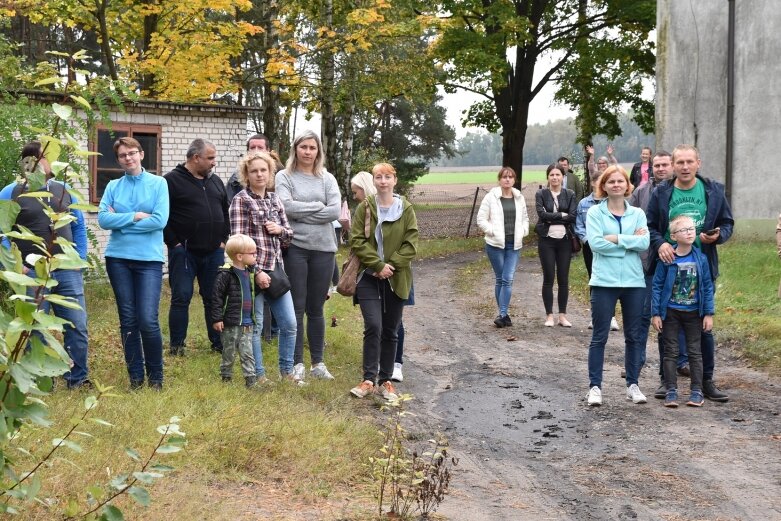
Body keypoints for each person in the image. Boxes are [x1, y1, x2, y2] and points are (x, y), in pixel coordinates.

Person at [646, 144, 734, 402]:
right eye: (680, 162)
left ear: (698, 163)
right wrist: (661, 243)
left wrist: (717, 237)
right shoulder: (661, 192)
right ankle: (666, 379)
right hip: (670, 266)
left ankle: (706, 380)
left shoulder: (713, 191)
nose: (685, 167)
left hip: (701, 266)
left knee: (704, 327)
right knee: (667, 325)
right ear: (673, 166)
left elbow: (727, 223)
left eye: (689, 162)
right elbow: (649, 225)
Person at [0, 141, 90, 389]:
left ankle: (78, 379)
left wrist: (78, 259)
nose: (40, 164)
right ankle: (40, 381)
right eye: (33, 159)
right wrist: (16, 266)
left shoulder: (64, 190)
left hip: (67, 270)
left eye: (44, 158)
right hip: (32, 274)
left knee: (77, 325)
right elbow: (2, 233)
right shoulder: (11, 192)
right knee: (34, 328)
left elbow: (78, 227)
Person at [98, 137, 169, 390]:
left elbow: (159, 221)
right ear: (118, 160)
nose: (127, 158)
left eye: (131, 153)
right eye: (122, 155)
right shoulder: (113, 186)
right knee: (128, 320)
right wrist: (136, 217)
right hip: (117, 259)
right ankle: (136, 379)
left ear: (141, 155)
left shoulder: (159, 184)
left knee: (147, 320)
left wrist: (123, 222)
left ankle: (156, 379)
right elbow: (104, 220)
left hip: (148, 260)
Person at [275, 130, 341, 383]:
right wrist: (317, 207)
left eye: (312, 148)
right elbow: (285, 207)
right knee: (296, 306)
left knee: (316, 308)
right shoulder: (284, 176)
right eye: (303, 147)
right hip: (296, 248)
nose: (307, 152)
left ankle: (318, 363)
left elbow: (334, 210)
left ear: (318, 152)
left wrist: (303, 212)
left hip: (324, 249)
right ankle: (297, 363)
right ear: (296, 149)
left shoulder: (327, 178)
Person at [349, 163, 418, 401]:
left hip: (397, 277)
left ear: (394, 180)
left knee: (390, 330)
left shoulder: (406, 208)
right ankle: (369, 379)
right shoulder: (365, 207)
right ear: (374, 181)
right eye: (378, 177)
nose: (383, 181)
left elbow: (411, 243)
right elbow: (357, 240)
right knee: (374, 326)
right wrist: (378, 266)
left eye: (387, 176)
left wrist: (391, 266)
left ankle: (385, 380)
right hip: (369, 276)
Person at [229, 152, 298, 384]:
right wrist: (256, 271)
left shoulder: (275, 199)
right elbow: (237, 242)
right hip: (252, 274)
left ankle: (286, 372)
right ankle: (258, 376)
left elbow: (289, 236)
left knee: (289, 324)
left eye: (263, 170)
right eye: (254, 171)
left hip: (276, 270)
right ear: (246, 175)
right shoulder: (241, 200)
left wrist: (279, 230)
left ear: (270, 173)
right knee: (255, 327)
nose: (259, 174)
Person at [585, 165, 649, 406]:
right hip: (604, 282)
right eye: (610, 181)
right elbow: (596, 245)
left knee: (634, 336)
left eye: (620, 181)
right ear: (604, 186)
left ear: (627, 185)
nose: (615, 185)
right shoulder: (595, 214)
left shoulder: (638, 214)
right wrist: (629, 243)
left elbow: (644, 243)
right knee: (599, 336)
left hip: (633, 282)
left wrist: (618, 238)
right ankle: (595, 387)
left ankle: (633, 384)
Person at [163, 139, 229, 356]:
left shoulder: (216, 181)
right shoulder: (170, 181)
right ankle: (177, 346)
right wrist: (174, 243)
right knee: (182, 297)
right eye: (210, 158)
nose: (214, 163)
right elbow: (163, 216)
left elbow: (224, 211)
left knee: (214, 297)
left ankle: (218, 343)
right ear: (195, 158)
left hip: (214, 252)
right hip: (184, 253)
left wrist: (223, 240)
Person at [629, 151, 688, 390]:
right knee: (645, 314)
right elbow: (630, 217)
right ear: (650, 167)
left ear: (671, 166)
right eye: (657, 165)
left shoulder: (679, 192)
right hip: (649, 262)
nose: (661, 169)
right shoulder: (641, 191)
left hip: (680, 262)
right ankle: (637, 362)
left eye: (665, 165)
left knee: (679, 314)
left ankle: (680, 363)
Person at [651, 215, 715, 408]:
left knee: (695, 352)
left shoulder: (701, 259)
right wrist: (656, 313)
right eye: (683, 230)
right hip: (670, 312)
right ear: (673, 236)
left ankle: (696, 391)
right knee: (670, 352)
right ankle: (671, 390)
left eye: (691, 229)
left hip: (694, 313)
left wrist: (708, 313)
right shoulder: (666, 259)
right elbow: (657, 286)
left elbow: (707, 286)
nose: (689, 232)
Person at [476, 166, 530, 327]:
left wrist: (524, 231)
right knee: (500, 278)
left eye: (510, 177)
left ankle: (502, 314)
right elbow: (481, 219)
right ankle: (503, 314)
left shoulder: (519, 197)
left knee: (507, 278)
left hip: (514, 244)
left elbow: (525, 218)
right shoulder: (491, 197)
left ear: (514, 180)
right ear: (499, 179)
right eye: (504, 177)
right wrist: (491, 230)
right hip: (495, 244)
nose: (507, 179)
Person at [210, 234, 259, 388]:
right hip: (231, 323)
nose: (255, 256)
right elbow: (216, 297)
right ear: (239, 256)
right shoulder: (225, 274)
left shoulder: (250, 273)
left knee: (247, 353)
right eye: (252, 253)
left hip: (247, 323)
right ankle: (226, 378)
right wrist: (217, 319)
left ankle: (250, 381)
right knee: (229, 352)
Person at [574, 170, 620, 332]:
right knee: (595, 279)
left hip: (610, 247)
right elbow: (579, 226)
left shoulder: (612, 203)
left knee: (611, 280)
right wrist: (590, 241)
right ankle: (596, 315)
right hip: (590, 248)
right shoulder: (583, 204)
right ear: (594, 183)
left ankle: (612, 317)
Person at [535, 164, 576, 327]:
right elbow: (541, 214)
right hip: (546, 240)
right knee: (549, 277)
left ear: (562, 177)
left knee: (563, 278)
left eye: (558, 174)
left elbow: (572, 216)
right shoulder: (541, 194)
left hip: (565, 240)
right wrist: (560, 215)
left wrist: (552, 217)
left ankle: (562, 316)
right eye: (551, 174)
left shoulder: (570, 194)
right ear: (548, 177)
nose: (554, 177)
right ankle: (549, 315)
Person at [226, 134, 283, 201]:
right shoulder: (236, 176)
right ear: (248, 151)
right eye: (252, 147)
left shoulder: (280, 172)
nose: (256, 150)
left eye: (260, 147)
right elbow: (229, 202)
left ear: (268, 150)